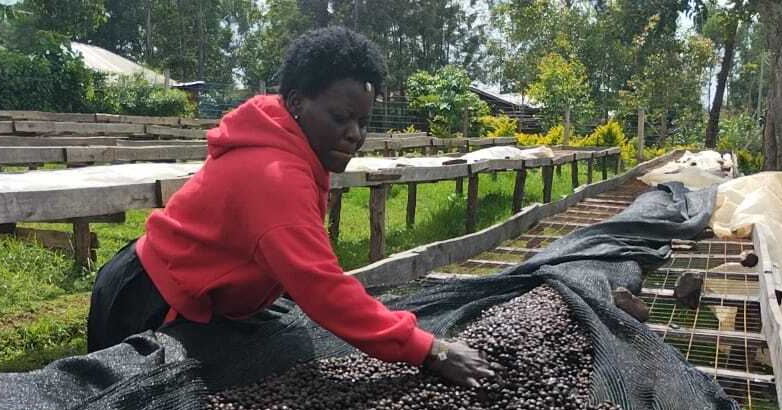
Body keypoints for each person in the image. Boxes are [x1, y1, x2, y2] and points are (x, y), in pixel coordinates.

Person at [87, 27, 494, 387]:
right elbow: (321, 289)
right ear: (297, 102)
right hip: (151, 298)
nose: (354, 134)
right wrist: (430, 350)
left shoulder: (291, 148)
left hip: (192, 291)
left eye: (363, 122)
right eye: (341, 117)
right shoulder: (274, 176)